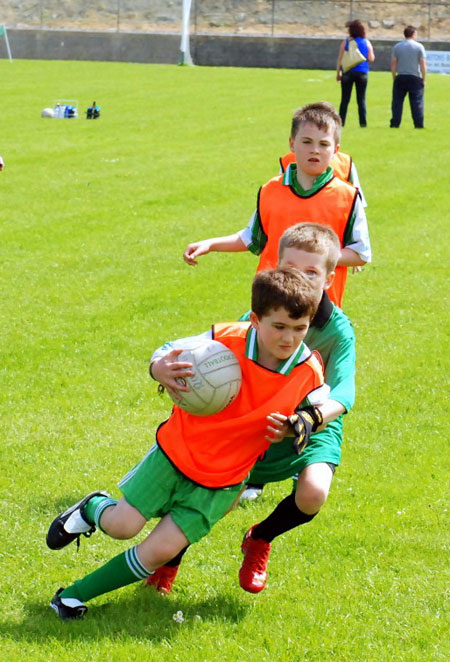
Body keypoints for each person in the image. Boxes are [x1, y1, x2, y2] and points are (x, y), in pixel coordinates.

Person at [46, 268, 329, 620]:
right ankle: (92, 508)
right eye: (280, 327)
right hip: (174, 455)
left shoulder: (308, 369)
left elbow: (322, 406)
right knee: (122, 527)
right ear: (256, 320)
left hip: (222, 483)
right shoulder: (225, 339)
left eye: (300, 328)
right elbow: (167, 351)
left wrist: (299, 424)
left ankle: (72, 596)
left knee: (157, 552)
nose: (289, 339)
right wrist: (158, 368)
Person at [148, 222, 356, 594]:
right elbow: (223, 361)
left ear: (328, 279)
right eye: (292, 268)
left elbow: (343, 394)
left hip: (313, 420)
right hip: (259, 417)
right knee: (219, 498)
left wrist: (304, 421)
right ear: (276, 267)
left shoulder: (338, 330)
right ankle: (168, 561)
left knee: (313, 493)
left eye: (312, 272)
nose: (301, 278)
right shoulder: (261, 316)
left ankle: (260, 538)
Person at [183, 102, 371, 309]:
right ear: (292, 144)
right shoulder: (270, 190)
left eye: (323, 144)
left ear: (335, 150)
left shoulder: (348, 197)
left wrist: (315, 259)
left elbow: (360, 253)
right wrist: (210, 245)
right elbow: (252, 238)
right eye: (307, 142)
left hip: (318, 309)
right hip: (270, 302)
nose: (315, 150)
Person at [336, 20, 375, 127]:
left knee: (345, 99)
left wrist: (338, 72)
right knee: (361, 99)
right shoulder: (366, 42)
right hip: (362, 73)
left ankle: (341, 122)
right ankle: (363, 123)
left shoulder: (346, 42)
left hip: (348, 72)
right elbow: (371, 58)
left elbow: (340, 58)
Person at [390, 26, 426, 129]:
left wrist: (394, 76)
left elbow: (393, 63)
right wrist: (424, 78)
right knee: (417, 102)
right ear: (414, 34)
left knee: (397, 102)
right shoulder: (419, 47)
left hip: (401, 76)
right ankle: (418, 124)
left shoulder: (397, 46)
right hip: (415, 77)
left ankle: (395, 123)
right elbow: (423, 64)